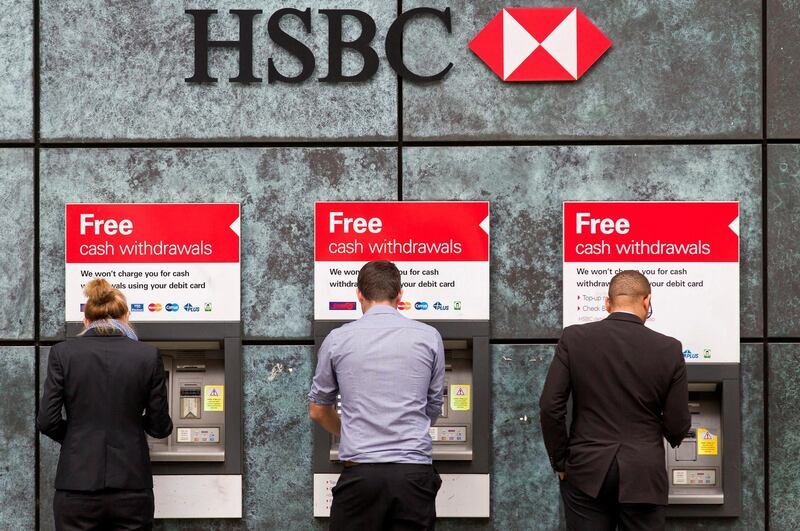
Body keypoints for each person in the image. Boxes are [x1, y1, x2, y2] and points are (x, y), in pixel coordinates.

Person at [539, 270, 690, 531]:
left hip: (586, 469)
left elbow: (550, 406)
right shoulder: (669, 348)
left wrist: (561, 462)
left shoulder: (574, 338)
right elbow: (678, 424)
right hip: (643, 471)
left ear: (607, 303)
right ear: (646, 301)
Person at [308, 260, 445, 530]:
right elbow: (433, 406)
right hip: (413, 475)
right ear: (400, 294)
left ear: (359, 294)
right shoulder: (429, 338)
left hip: (360, 475)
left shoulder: (337, 339)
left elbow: (318, 409)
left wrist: (347, 431)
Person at [37, 278, 173, 531]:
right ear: (125, 318)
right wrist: (131, 423)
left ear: (86, 321)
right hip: (132, 486)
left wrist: (78, 435)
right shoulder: (147, 355)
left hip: (76, 485)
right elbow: (159, 426)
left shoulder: (63, 353)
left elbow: (47, 421)